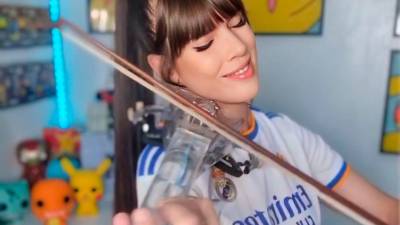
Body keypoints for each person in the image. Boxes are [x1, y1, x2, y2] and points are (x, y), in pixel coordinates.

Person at [113, 0, 399, 224]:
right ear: (168, 70)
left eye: (238, 22)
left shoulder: (285, 133)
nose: (238, 47)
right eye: (205, 44)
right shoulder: (166, 162)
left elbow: (387, 212)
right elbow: (172, 206)